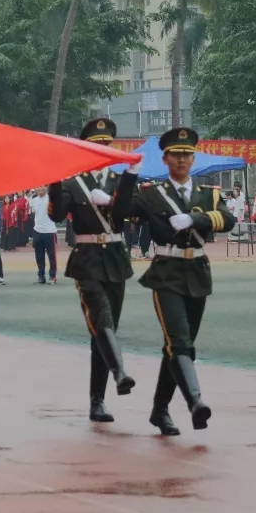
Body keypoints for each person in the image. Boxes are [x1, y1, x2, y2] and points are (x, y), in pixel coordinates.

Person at [129, 127, 234, 435]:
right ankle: (195, 402)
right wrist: (127, 178)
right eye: (176, 155)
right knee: (180, 343)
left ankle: (159, 410)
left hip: (198, 272)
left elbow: (227, 220)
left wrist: (196, 219)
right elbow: (122, 211)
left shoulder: (209, 194)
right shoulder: (151, 194)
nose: (182, 160)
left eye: (187, 154)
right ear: (165, 159)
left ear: (193, 157)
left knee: (176, 348)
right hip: (166, 273)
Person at [47, 118, 140, 423]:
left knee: (103, 330)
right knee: (101, 317)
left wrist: (122, 187)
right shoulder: (73, 180)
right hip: (87, 259)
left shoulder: (117, 178)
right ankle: (120, 371)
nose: (102, 149)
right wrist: (55, 176)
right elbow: (58, 214)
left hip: (115, 257)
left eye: (106, 145)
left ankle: (96, 401)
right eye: (96, 144)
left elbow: (126, 211)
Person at [29, 187, 58, 285]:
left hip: (50, 231)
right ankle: (41, 276)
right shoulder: (33, 200)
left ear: (45, 188)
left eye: (41, 186)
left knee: (51, 256)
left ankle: (52, 276)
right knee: (39, 256)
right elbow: (34, 215)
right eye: (37, 187)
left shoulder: (51, 199)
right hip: (37, 231)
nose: (39, 189)